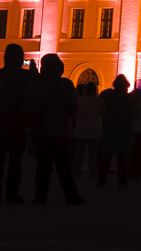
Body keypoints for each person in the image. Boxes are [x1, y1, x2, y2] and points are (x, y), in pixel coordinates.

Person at [24, 54, 84, 205]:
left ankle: (40, 197)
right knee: (64, 166)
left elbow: (28, 103)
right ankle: (71, 197)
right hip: (61, 130)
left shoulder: (35, 82)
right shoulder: (66, 84)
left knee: (43, 165)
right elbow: (74, 107)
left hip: (40, 130)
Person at [0, 44, 33, 203]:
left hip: (1, 123)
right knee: (15, 161)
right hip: (18, 124)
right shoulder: (25, 77)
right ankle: (12, 193)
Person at [97, 75, 134, 189]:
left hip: (109, 129)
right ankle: (122, 183)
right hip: (123, 130)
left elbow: (101, 111)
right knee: (122, 159)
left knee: (106, 157)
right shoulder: (128, 98)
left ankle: (101, 182)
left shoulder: (106, 95)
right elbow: (131, 114)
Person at [72, 81, 105, 180]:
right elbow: (103, 114)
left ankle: (76, 172)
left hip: (80, 129)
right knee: (92, 154)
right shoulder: (99, 101)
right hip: (94, 130)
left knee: (79, 153)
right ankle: (92, 173)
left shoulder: (80, 100)